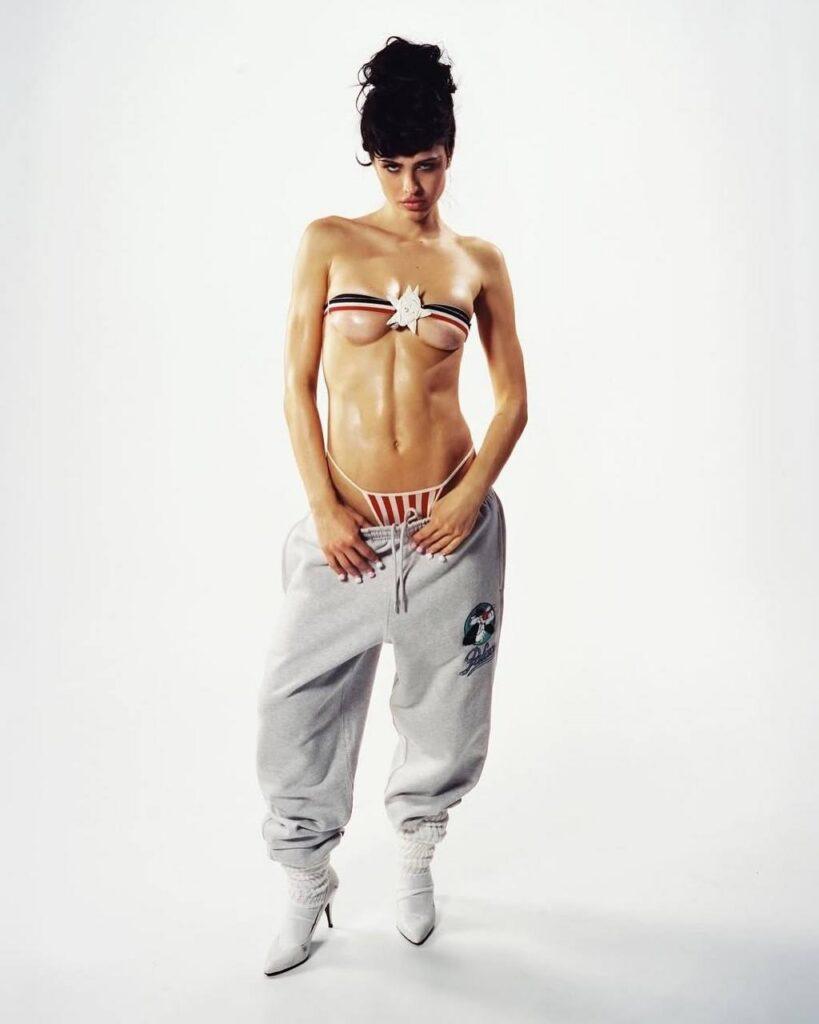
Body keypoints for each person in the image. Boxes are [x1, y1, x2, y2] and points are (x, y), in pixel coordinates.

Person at [256, 35, 527, 976]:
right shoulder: (329, 242)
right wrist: (324, 507)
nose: (412, 185)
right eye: (394, 164)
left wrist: (469, 496)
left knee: (444, 706)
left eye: (429, 164)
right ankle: (306, 877)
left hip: (450, 530)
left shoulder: (477, 262)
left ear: (451, 155)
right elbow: (296, 387)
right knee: (293, 701)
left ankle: (416, 856)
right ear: (370, 160)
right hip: (348, 529)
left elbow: (513, 401)